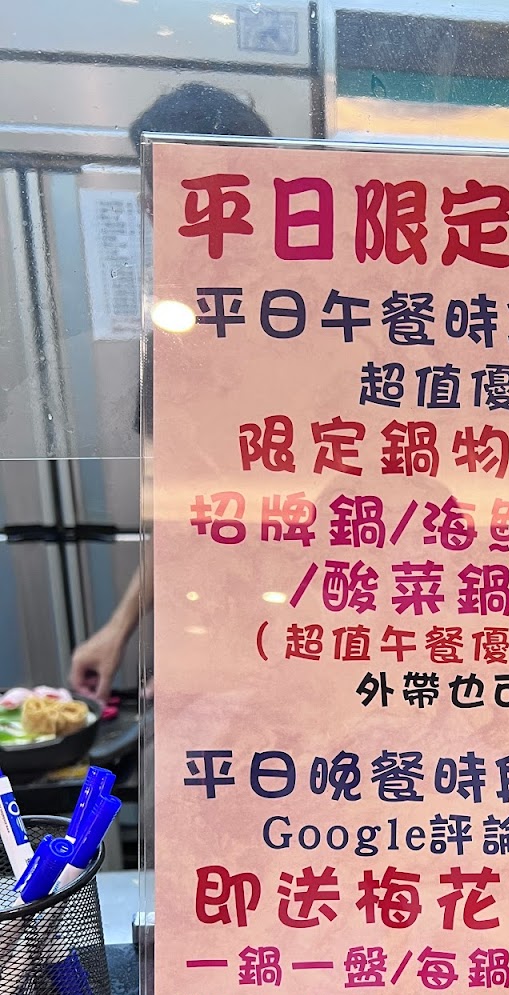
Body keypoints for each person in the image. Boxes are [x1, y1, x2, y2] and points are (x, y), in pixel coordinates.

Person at [69, 85, 271, 702]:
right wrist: (119, 629)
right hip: (217, 640)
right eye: (151, 187)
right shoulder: (183, 323)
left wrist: (229, 653)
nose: (146, 206)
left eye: (164, 187)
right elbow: (183, 507)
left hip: (301, 642)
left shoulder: (323, 317)